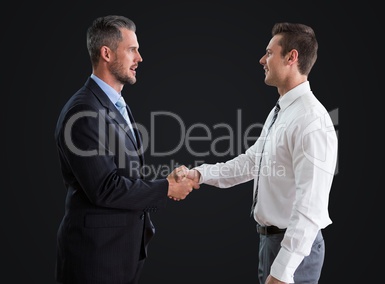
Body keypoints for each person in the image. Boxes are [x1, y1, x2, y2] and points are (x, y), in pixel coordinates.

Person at [179, 22, 338, 284]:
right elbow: (253, 162)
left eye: (269, 52)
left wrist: (283, 271)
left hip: (294, 252)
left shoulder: (311, 120)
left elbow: (311, 208)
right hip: (271, 244)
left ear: (291, 57)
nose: (262, 59)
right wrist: (199, 174)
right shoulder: (282, 111)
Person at [54, 15, 196, 284]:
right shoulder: (83, 111)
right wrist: (165, 187)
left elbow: (127, 173)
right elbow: (104, 188)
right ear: (106, 53)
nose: (139, 58)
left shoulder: (115, 104)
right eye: (132, 49)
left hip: (122, 253)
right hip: (95, 259)